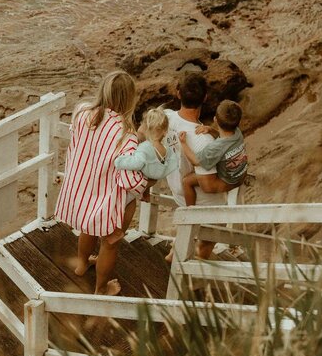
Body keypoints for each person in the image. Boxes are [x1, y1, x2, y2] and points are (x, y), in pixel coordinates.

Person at [54, 70, 146, 295]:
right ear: (128, 99)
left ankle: (82, 264)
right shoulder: (126, 135)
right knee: (110, 242)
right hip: (107, 199)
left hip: (82, 192)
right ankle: (101, 289)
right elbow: (129, 181)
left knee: (88, 226)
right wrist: (146, 183)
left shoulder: (82, 112)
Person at [161, 71, 218, 261]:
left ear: (178, 93)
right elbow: (208, 184)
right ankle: (197, 266)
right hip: (199, 200)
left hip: (177, 190)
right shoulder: (203, 140)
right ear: (205, 97)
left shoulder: (165, 118)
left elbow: (144, 134)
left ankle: (175, 250)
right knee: (213, 233)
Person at [180, 100, 248, 206]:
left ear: (215, 119)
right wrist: (211, 130)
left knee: (186, 181)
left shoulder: (215, 148)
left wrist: (183, 144)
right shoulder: (237, 132)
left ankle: (190, 212)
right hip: (241, 175)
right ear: (238, 122)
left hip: (228, 182)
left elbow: (196, 161)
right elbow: (224, 139)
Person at [114, 106, 180, 184]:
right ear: (164, 131)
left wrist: (119, 161)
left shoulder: (145, 147)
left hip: (144, 176)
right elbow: (174, 162)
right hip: (155, 176)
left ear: (147, 128)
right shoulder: (166, 149)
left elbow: (137, 163)